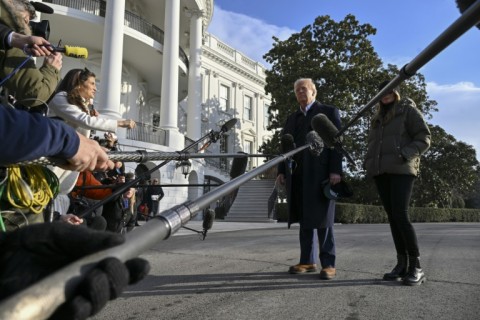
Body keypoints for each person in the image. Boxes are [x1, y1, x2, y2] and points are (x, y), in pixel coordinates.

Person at [364, 81, 431, 286]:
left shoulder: (408, 110)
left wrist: (405, 154)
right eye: (381, 92)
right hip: (381, 171)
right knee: (393, 217)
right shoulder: (377, 118)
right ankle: (401, 265)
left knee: (401, 215)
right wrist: (368, 162)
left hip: (402, 169)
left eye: (388, 91)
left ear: (395, 92)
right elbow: (373, 143)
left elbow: (424, 138)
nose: (384, 95)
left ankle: (416, 267)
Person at [276, 78, 343, 280]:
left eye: (304, 89)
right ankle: (307, 261)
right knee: (304, 219)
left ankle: (328, 264)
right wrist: (281, 170)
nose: (300, 93)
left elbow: (337, 143)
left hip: (321, 173)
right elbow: (285, 146)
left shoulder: (329, 112)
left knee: (323, 219)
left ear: (314, 92)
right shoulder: (292, 118)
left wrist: (335, 170)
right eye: (297, 90)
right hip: (297, 174)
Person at [47, 68, 136, 215]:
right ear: (79, 83)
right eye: (92, 83)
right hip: (54, 160)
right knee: (49, 196)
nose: (95, 88)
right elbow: (86, 121)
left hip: (68, 161)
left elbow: (83, 135)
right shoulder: (60, 97)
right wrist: (120, 123)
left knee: (60, 198)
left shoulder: (82, 106)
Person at [0, 0, 62, 108]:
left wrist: (15, 38)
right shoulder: (11, 36)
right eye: (26, 20)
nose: (27, 26)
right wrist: (51, 68)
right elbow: (35, 93)